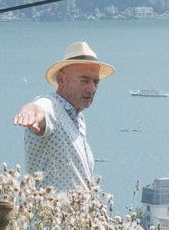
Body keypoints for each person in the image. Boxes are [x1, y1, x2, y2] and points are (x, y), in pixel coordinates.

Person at [12, 41, 114, 192]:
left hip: (76, 215)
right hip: (49, 215)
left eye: (95, 82)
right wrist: (29, 112)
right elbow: (39, 109)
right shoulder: (51, 105)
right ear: (61, 80)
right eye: (84, 80)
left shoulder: (78, 118)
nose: (91, 88)